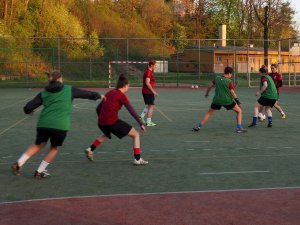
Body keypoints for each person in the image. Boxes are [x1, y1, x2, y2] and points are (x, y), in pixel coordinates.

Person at [11, 70, 105, 178]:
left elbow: (28, 107)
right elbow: (86, 94)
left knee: (38, 145)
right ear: (60, 79)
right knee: (53, 148)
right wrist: (99, 96)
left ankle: (19, 163)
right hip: (60, 125)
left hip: (43, 124)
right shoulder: (69, 89)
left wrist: (29, 111)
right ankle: (40, 171)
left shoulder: (44, 93)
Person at [85, 74, 148, 165]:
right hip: (112, 122)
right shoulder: (122, 96)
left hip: (101, 122)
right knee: (136, 134)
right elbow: (131, 110)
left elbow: (98, 109)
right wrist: (140, 123)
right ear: (125, 85)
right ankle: (137, 159)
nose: (128, 88)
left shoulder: (110, 92)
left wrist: (103, 118)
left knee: (106, 135)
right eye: (128, 86)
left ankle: (90, 149)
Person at [193, 66, 247, 133]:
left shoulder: (217, 78)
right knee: (239, 111)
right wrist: (238, 102)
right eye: (231, 74)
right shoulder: (229, 81)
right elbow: (232, 92)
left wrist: (207, 93)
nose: (231, 75)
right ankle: (239, 128)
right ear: (229, 73)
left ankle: (198, 126)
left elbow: (210, 86)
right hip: (227, 101)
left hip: (217, 100)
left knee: (209, 113)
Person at [140, 60, 158, 126]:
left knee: (149, 105)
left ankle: (142, 115)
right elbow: (147, 83)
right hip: (148, 92)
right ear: (151, 65)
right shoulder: (148, 72)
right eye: (155, 65)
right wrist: (153, 91)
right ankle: (149, 122)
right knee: (151, 106)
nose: (156, 67)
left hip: (147, 91)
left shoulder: (149, 71)